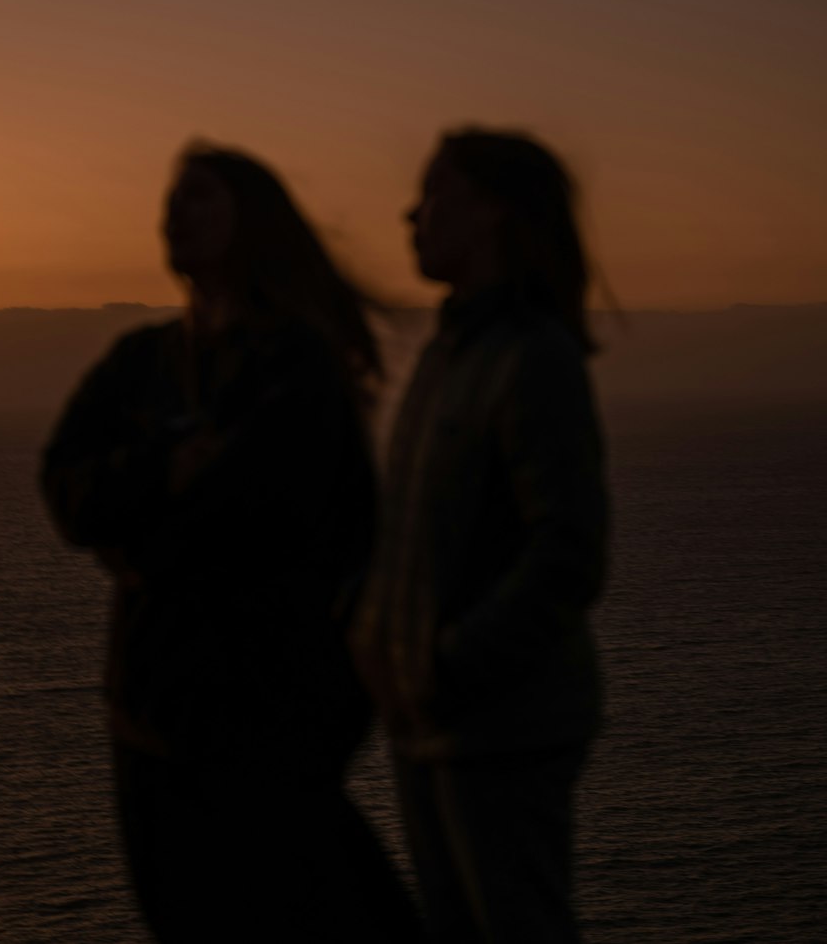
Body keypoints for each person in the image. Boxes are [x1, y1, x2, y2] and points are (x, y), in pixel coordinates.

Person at [39, 142, 421, 942]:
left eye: (202, 197)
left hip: (265, 721)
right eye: (173, 198)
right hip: (148, 720)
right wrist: (163, 472)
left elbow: (248, 517)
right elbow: (65, 489)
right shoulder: (140, 362)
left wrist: (135, 530)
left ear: (251, 222)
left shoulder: (295, 366)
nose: (176, 212)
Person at [350, 129, 610, 942]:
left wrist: (447, 664)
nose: (410, 214)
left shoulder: (534, 357)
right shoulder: (446, 354)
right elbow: (410, 533)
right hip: (430, 723)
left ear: (492, 210)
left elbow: (568, 551)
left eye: (433, 194)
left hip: (500, 727)